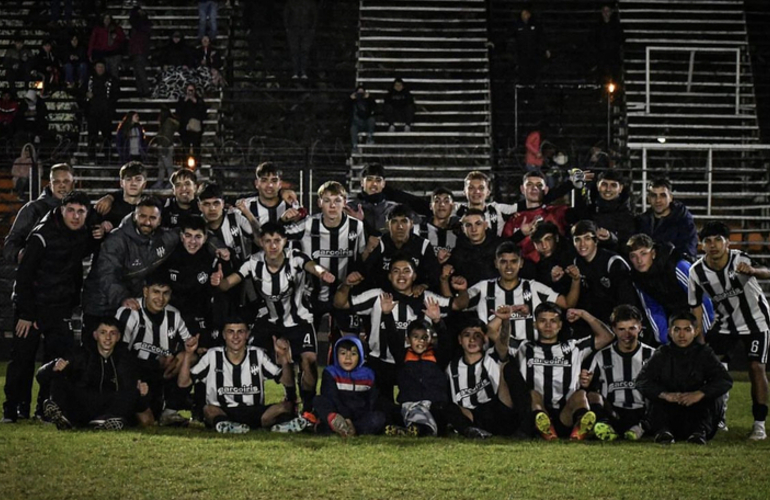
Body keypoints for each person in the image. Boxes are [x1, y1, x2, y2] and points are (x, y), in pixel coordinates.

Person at [211, 222, 336, 415]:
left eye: (277, 241)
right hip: (270, 321)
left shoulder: (295, 258)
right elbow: (228, 284)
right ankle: (282, 400)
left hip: (299, 321)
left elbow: (312, 266)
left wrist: (323, 273)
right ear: (261, 242)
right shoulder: (253, 262)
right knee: (257, 359)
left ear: (285, 241)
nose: (273, 246)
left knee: (309, 362)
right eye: (268, 241)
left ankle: (309, 409)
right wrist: (219, 282)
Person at [2, 191, 103, 423]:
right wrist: (27, 314)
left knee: (58, 358)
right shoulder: (42, 235)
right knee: (23, 359)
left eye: (81, 212)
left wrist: (100, 230)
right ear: (61, 209)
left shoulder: (82, 233)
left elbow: (86, 247)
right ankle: (13, 410)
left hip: (60, 307)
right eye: (71, 210)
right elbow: (25, 276)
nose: (75, 216)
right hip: (33, 306)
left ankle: (45, 407)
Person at [334, 256, 468, 403]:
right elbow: (340, 304)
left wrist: (462, 291)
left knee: (418, 405)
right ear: (390, 276)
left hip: (415, 365)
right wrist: (346, 285)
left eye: (406, 271)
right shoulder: (377, 296)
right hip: (381, 362)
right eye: (396, 271)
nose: (401, 275)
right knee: (381, 410)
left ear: (415, 276)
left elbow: (458, 305)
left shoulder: (427, 299)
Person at [688, 221, 770, 440]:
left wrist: (752, 270)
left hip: (756, 322)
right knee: (714, 369)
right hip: (724, 324)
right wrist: (700, 338)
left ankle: (759, 424)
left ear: (727, 243)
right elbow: (695, 306)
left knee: (756, 367)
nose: (713, 245)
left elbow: (766, 271)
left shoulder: (740, 259)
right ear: (701, 244)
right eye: (708, 241)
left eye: (718, 240)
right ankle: (719, 416)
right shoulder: (696, 271)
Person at [81, 197, 179, 345]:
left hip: (127, 305)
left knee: (124, 355)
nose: (147, 222)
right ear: (134, 216)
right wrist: (123, 298)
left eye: (152, 218)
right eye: (142, 216)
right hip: (100, 305)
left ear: (159, 220)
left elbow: (192, 233)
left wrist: (219, 248)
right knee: (93, 355)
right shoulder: (117, 239)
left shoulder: (163, 238)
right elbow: (107, 274)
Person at [512, 303, 614, 440]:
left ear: (560, 325)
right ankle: (545, 427)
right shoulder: (524, 347)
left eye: (553, 321)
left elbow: (607, 336)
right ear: (535, 325)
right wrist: (508, 314)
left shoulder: (574, 347)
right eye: (543, 321)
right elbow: (492, 333)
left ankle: (580, 426)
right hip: (537, 411)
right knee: (532, 394)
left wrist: (583, 313)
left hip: (566, 415)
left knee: (581, 394)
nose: (548, 326)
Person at [178, 319, 296, 433]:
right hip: (224, 411)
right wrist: (188, 354)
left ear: (247, 335)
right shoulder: (213, 355)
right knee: (208, 409)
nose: (235, 337)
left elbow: (287, 381)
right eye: (231, 332)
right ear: (224, 335)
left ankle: (279, 425)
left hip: (254, 411)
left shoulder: (257, 354)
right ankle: (226, 424)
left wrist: (284, 357)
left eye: (240, 332)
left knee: (286, 406)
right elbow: (183, 383)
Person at [285, 181, 366, 345]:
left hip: (342, 294)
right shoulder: (308, 224)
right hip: (310, 294)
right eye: (327, 200)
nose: (332, 206)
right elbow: (275, 236)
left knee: (351, 344)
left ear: (344, 203)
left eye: (337, 200)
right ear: (319, 203)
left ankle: (342, 371)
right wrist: (283, 219)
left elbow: (362, 257)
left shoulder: (356, 226)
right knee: (305, 348)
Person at [636, 311, 733, 444]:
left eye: (687, 330)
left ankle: (699, 433)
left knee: (713, 394)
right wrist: (666, 395)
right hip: (669, 410)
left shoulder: (705, 353)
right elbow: (642, 381)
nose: (682, 335)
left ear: (696, 331)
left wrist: (699, 394)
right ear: (670, 332)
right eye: (677, 330)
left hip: (697, 411)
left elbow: (724, 380)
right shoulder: (662, 353)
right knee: (654, 394)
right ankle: (663, 432)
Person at [35, 317, 143, 430]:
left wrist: (143, 394)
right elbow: (40, 377)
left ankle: (105, 421)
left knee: (133, 391)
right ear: (95, 335)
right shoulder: (80, 354)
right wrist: (53, 367)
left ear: (118, 337)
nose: (108, 337)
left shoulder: (125, 359)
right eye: (103, 332)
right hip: (83, 403)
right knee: (58, 375)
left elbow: (132, 395)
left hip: (109, 406)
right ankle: (62, 415)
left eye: (113, 333)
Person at [117, 272, 193, 426]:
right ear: (145, 291)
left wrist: (190, 352)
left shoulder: (174, 315)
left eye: (165, 293)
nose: (160, 298)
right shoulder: (129, 312)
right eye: (156, 292)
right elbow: (120, 355)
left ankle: (170, 410)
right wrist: (156, 363)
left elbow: (189, 344)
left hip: (161, 374)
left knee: (189, 357)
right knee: (145, 422)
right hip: (135, 374)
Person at [467, 242, 580, 344]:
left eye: (513, 261)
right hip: (492, 357)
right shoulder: (483, 287)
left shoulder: (534, 287)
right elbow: (457, 304)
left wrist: (576, 280)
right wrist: (462, 290)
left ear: (521, 263)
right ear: (496, 263)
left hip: (529, 356)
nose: (509, 266)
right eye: (503, 262)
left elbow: (567, 303)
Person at [446, 314, 530, 438]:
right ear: (459, 340)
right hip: (474, 417)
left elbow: (503, 342)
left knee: (509, 369)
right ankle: (470, 432)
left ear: (484, 339)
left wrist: (505, 322)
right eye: (467, 335)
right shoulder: (451, 368)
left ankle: (526, 428)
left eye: (477, 335)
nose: (472, 340)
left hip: (499, 411)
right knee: (444, 406)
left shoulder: (492, 355)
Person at [581, 305, 656, 441]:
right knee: (592, 395)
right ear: (614, 329)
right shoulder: (602, 356)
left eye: (631, 328)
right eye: (621, 329)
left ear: (640, 327)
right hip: (614, 412)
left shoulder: (652, 355)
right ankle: (604, 424)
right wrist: (585, 381)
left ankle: (642, 426)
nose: (626, 334)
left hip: (641, 411)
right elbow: (590, 387)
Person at [627, 233, 713, 345]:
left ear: (653, 253)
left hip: (703, 314)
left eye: (643, 254)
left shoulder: (677, 266)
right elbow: (652, 309)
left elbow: (703, 299)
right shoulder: (638, 278)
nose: (639, 260)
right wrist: (665, 341)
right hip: (675, 317)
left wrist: (702, 336)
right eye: (634, 256)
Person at [382, 302, 454, 437]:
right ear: (408, 339)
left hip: (433, 406)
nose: (420, 341)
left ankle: (415, 430)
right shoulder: (403, 356)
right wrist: (387, 315)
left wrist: (437, 321)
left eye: (425, 337)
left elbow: (446, 343)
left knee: (446, 411)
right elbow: (392, 338)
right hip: (409, 405)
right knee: (386, 408)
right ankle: (414, 429)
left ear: (431, 339)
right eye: (416, 337)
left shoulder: (437, 356)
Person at [570, 220, 640, 332]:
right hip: (592, 322)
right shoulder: (576, 263)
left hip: (618, 323)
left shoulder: (613, 262)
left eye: (587, 238)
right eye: (578, 239)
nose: (582, 244)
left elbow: (628, 302)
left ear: (596, 241)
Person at [312, 335, 386, 436]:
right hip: (338, 411)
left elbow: (372, 400)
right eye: (343, 353)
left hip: (359, 415)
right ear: (336, 355)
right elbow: (331, 397)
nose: (348, 358)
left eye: (353, 354)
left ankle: (347, 430)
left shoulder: (368, 374)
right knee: (319, 400)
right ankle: (337, 424)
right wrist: (345, 417)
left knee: (379, 417)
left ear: (360, 355)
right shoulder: (331, 372)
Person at [3, 163, 75, 265]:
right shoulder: (33, 209)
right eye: (57, 181)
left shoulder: (80, 211)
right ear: (50, 185)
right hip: (39, 276)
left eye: (66, 181)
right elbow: (10, 244)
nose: (62, 185)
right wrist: (20, 255)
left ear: (73, 184)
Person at [364, 204, 442, 292]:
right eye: (394, 222)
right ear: (387, 225)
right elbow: (366, 273)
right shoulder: (380, 243)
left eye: (404, 221)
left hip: (414, 295)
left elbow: (435, 275)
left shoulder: (423, 245)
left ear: (411, 224)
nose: (399, 227)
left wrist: (424, 285)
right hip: (385, 296)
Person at [568, 169, 635, 253]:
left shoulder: (627, 216)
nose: (608, 189)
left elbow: (628, 247)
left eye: (613, 185)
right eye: (604, 184)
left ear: (620, 188)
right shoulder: (589, 210)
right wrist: (578, 188)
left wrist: (611, 238)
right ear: (597, 185)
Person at [636, 177, 698, 259]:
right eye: (654, 195)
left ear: (671, 198)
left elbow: (688, 251)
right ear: (649, 199)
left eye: (663, 195)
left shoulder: (684, 221)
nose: (658, 200)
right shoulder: (641, 221)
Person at [444, 208, 504, 289]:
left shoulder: (501, 247)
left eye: (478, 224)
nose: (474, 229)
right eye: (468, 225)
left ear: (485, 225)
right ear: (463, 229)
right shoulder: (458, 251)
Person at [236, 162, 303, 233]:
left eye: (274, 181)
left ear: (280, 184)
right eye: (264, 180)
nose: (270, 185)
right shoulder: (245, 205)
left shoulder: (290, 204)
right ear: (256, 184)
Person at [455, 171, 517, 237]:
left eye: (481, 188)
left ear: (488, 192)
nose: (476, 191)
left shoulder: (498, 209)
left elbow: (525, 206)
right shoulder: (456, 211)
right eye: (471, 188)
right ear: (464, 191)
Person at [95, 161, 147, 230]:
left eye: (138, 180)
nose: (133, 183)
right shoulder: (109, 206)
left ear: (144, 184)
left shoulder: (151, 206)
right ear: (121, 183)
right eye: (129, 179)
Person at [85, 60, 120, 162]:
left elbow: (116, 93)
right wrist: (86, 95)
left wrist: (109, 104)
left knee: (107, 135)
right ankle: (91, 156)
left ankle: (107, 155)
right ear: (95, 68)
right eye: (98, 66)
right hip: (92, 112)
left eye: (102, 67)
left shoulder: (111, 80)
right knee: (92, 135)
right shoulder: (89, 79)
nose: (100, 69)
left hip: (106, 112)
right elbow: (81, 91)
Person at [413, 187, 459, 263]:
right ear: (431, 206)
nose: (442, 204)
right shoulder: (417, 230)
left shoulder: (459, 231)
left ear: (453, 206)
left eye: (446, 201)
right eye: (437, 201)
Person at [529, 222, 574, 295]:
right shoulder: (538, 268)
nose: (544, 246)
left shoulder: (571, 252)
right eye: (538, 242)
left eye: (548, 239)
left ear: (556, 238)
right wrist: (551, 279)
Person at [513, 3, 550, 85]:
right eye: (523, 14)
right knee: (523, 72)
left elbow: (541, 37)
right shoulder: (517, 25)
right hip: (522, 54)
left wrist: (545, 49)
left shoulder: (535, 25)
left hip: (533, 54)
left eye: (525, 14)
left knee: (532, 72)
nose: (524, 16)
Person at [284, 0, 317, 79]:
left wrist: (312, 28)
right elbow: (286, 15)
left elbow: (314, 16)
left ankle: (303, 71)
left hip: (306, 29)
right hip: (293, 29)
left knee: (304, 51)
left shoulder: (310, 3)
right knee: (294, 51)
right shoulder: (291, 3)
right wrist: (287, 27)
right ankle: (295, 71)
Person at [592, 2, 624, 85]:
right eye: (604, 11)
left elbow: (621, 39)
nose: (606, 14)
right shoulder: (597, 26)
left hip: (613, 57)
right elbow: (594, 40)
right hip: (601, 58)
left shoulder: (616, 26)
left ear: (611, 12)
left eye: (608, 11)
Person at [88, 13, 126, 80]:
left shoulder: (117, 28)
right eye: (105, 18)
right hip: (102, 53)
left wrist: (116, 37)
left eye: (108, 18)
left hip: (114, 53)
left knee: (114, 71)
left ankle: (114, 87)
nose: (107, 20)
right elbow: (92, 41)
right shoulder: (97, 29)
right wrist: (90, 53)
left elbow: (123, 38)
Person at [176, 83, 206, 166]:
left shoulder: (199, 101)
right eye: (188, 90)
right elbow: (178, 112)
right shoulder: (182, 100)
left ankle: (197, 167)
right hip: (185, 130)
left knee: (196, 149)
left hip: (196, 131)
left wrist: (196, 102)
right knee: (185, 149)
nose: (190, 92)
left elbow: (203, 113)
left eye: (192, 90)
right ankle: (185, 166)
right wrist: (185, 101)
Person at [128, 5, 153, 97]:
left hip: (139, 50)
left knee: (140, 71)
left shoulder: (141, 26)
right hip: (137, 50)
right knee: (137, 72)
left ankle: (144, 90)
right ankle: (142, 90)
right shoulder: (142, 25)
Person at [155, 105, 179, 189]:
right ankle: (160, 182)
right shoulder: (165, 123)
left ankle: (171, 182)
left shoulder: (167, 123)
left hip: (166, 147)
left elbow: (166, 137)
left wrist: (163, 146)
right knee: (162, 166)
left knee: (168, 166)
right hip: (164, 146)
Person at [349, 83, 376, 150]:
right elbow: (346, 108)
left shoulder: (368, 100)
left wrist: (369, 98)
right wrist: (350, 99)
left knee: (371, 120)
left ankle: (370, 137)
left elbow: (374, 107)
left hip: (366, 121)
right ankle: (354, 146)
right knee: (353, 128)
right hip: (356, 122)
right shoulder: (353, 101)